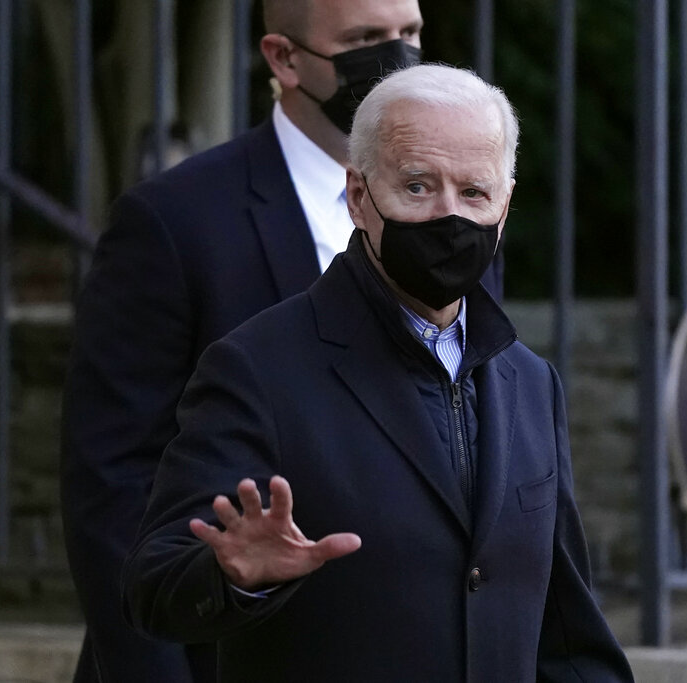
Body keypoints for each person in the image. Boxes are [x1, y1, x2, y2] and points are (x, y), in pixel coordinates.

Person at [122, 64, 633, 682]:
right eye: (418, 186)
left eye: (474, 193)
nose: (450, 216)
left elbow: (566, 630)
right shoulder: (257, 367)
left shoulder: (529, 382)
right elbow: (154, 587)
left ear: (505, 204)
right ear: (359, 197)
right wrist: (232, 576)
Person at [61, 2, 507, 681]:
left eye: (410, 34)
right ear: (283, 58)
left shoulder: (460, 221)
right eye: (365, 40)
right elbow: (111, 488)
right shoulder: (173, 224)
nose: (397, 56)